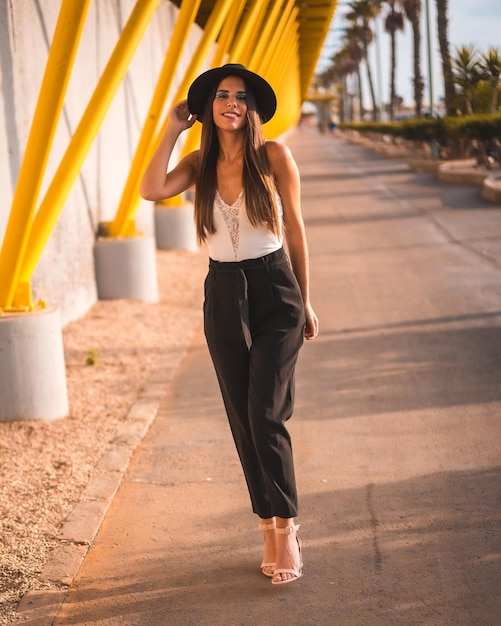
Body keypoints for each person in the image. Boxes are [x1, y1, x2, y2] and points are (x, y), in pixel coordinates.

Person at [140, 64, 319, 585]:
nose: (231, 104)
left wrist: (307, 301)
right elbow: (151, 189)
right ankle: (267, 525)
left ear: (254, 107)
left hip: (276, 290)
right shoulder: (199, 163)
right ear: (209, 107)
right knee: (243, 418)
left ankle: (287, 530)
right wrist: (173, 128)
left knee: (265, 412)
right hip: (222, 294)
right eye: (222, 96)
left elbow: (298, 232)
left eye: (241, 96)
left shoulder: (276, 157)